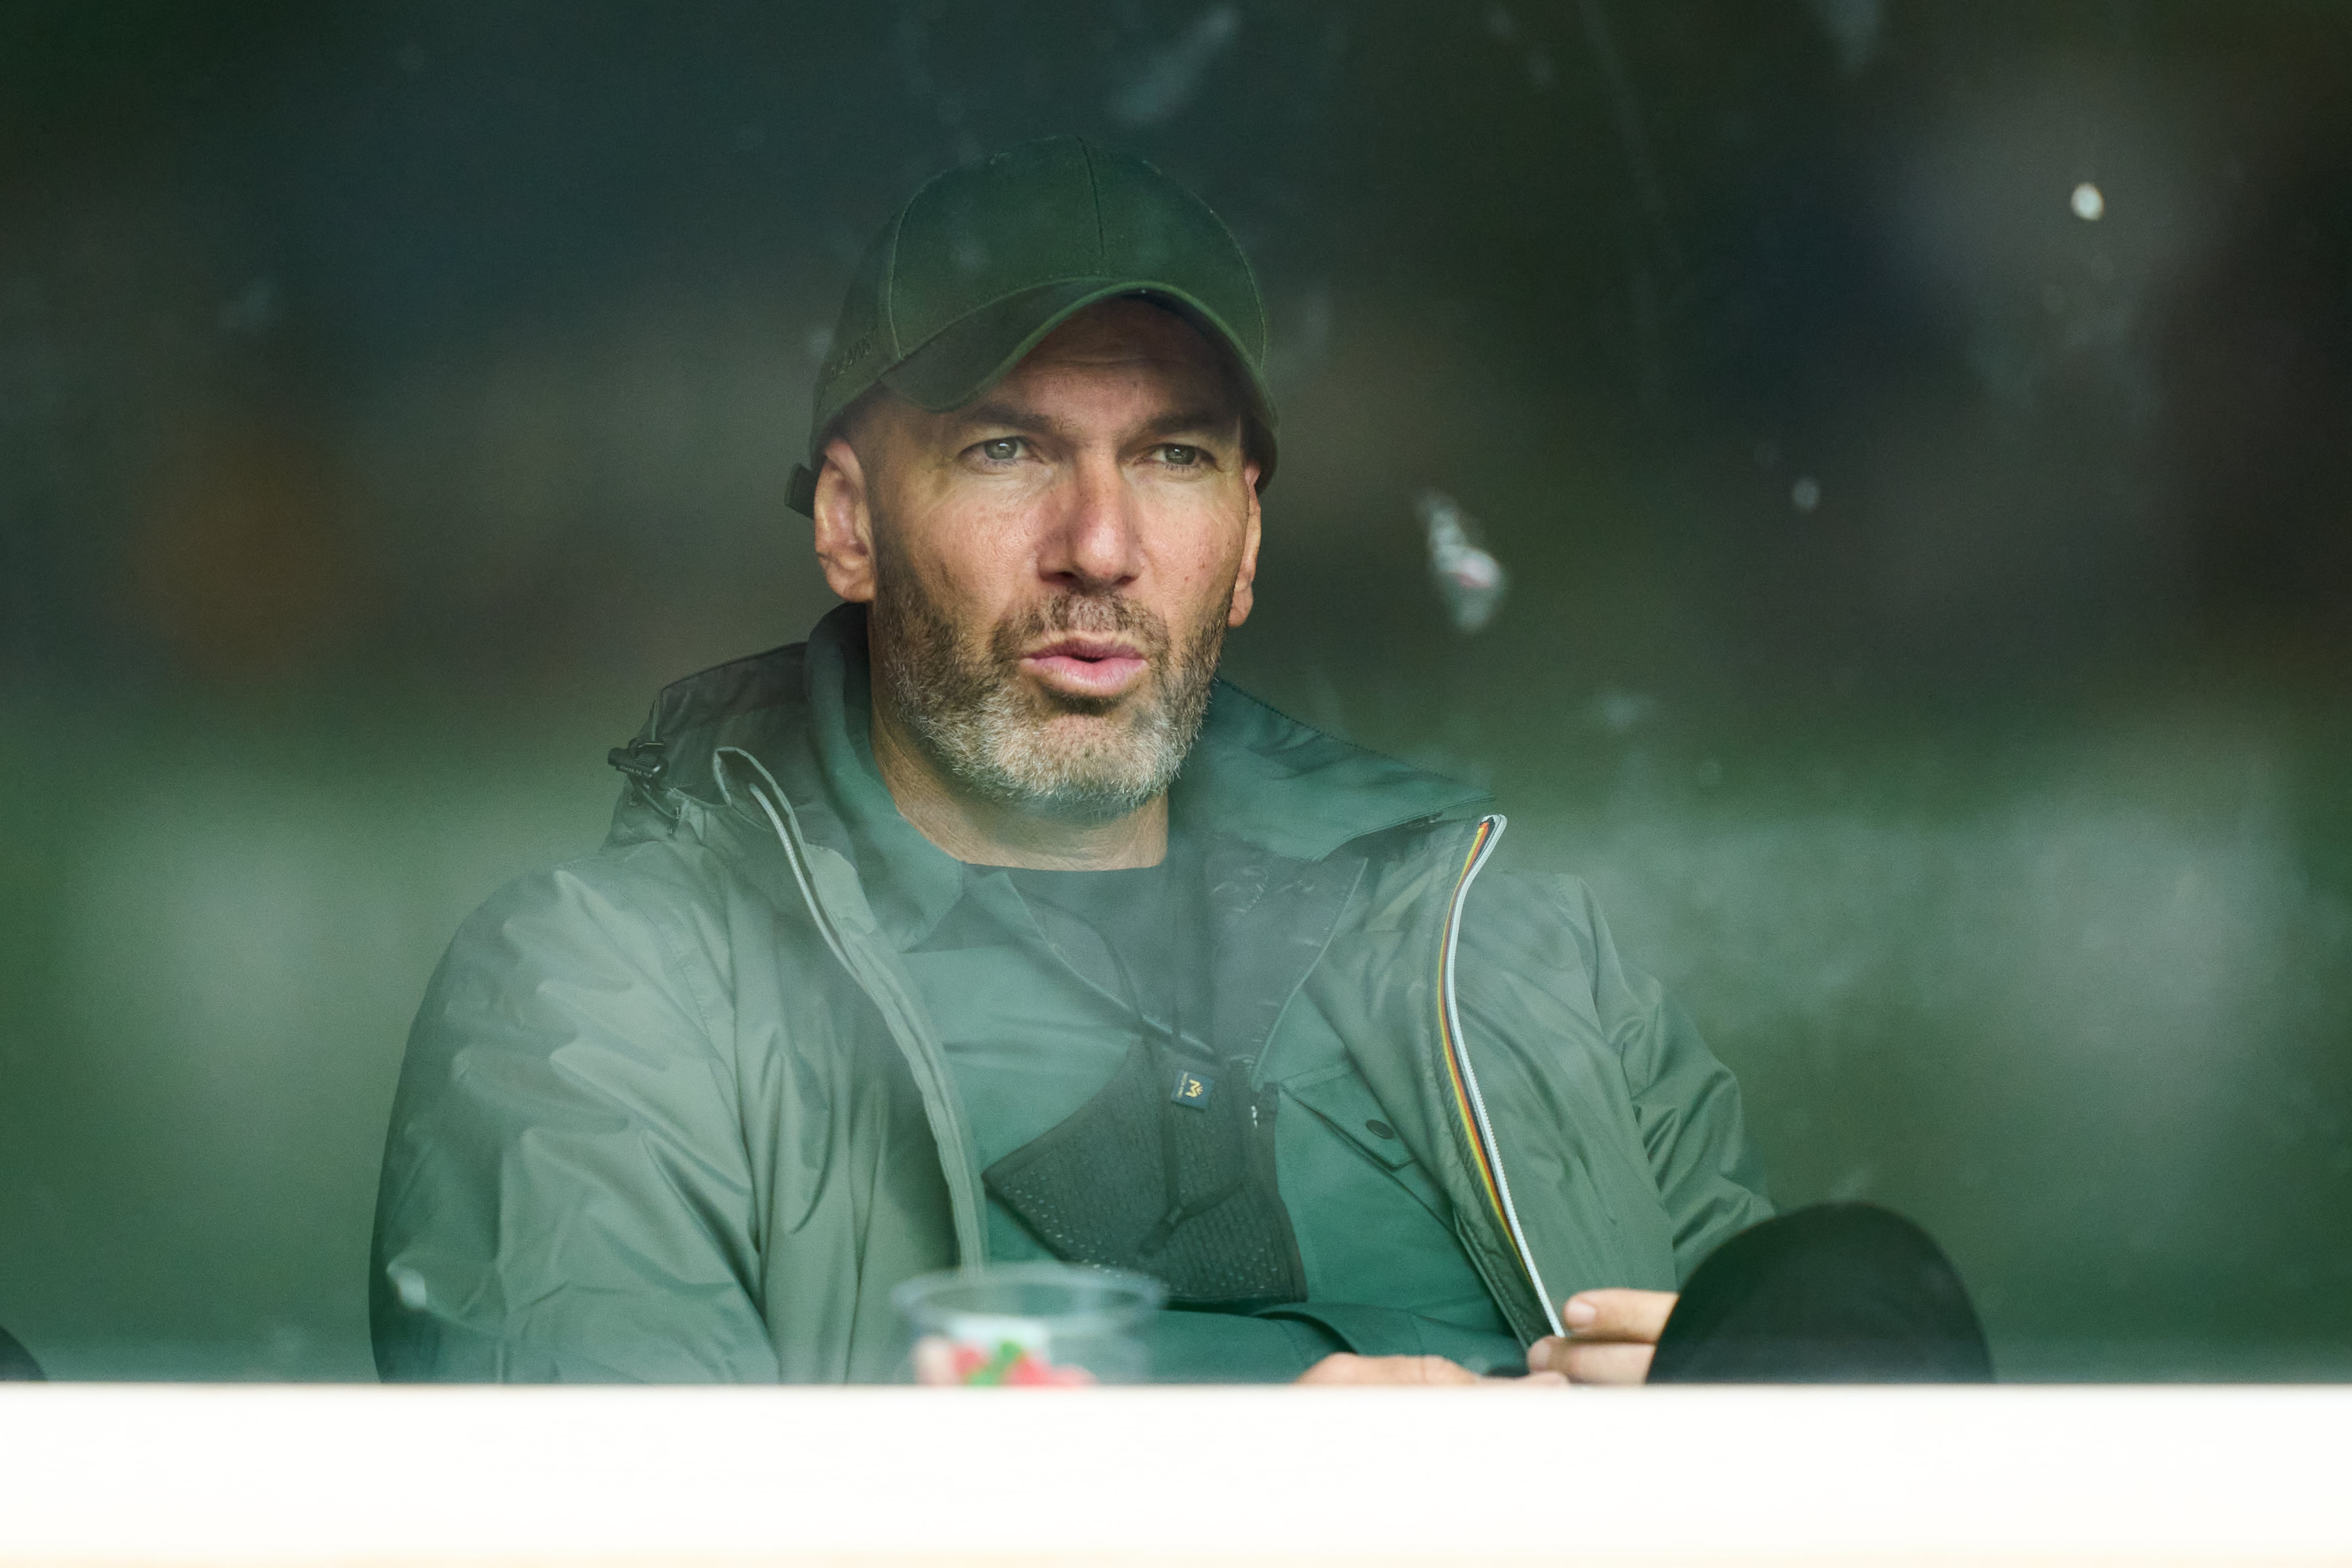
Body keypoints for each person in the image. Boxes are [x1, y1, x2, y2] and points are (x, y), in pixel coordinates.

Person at [371, 136, 1988, 1385]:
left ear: (1249, 540)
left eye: (1174, 459)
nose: (1102, 544)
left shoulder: (1511, 957)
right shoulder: (606, 993)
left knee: (1863, 1296)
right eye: (1009, 450)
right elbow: (600, 1524)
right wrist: (1290, 1483)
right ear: (851, 523)